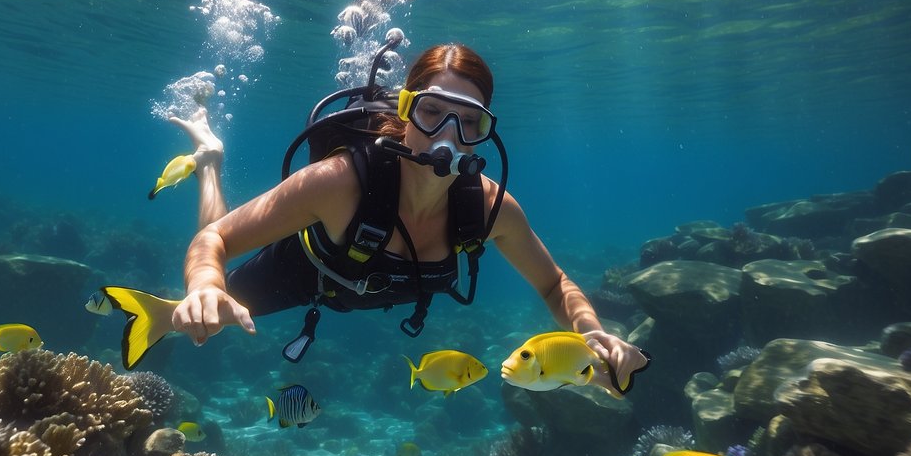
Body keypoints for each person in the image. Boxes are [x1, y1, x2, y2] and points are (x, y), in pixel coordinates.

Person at [150, 42, 650, 396]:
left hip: (364, 285)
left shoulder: (489, 207)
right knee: (201, 319)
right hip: (310, 272)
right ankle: (210, 161)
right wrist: (204, 285)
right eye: (432, 112)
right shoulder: (337, 182)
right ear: (407, 110)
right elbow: (213, 238)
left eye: (469, 121)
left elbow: (553, 283)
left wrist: (590, 330)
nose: (447, 136)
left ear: (485, 132)